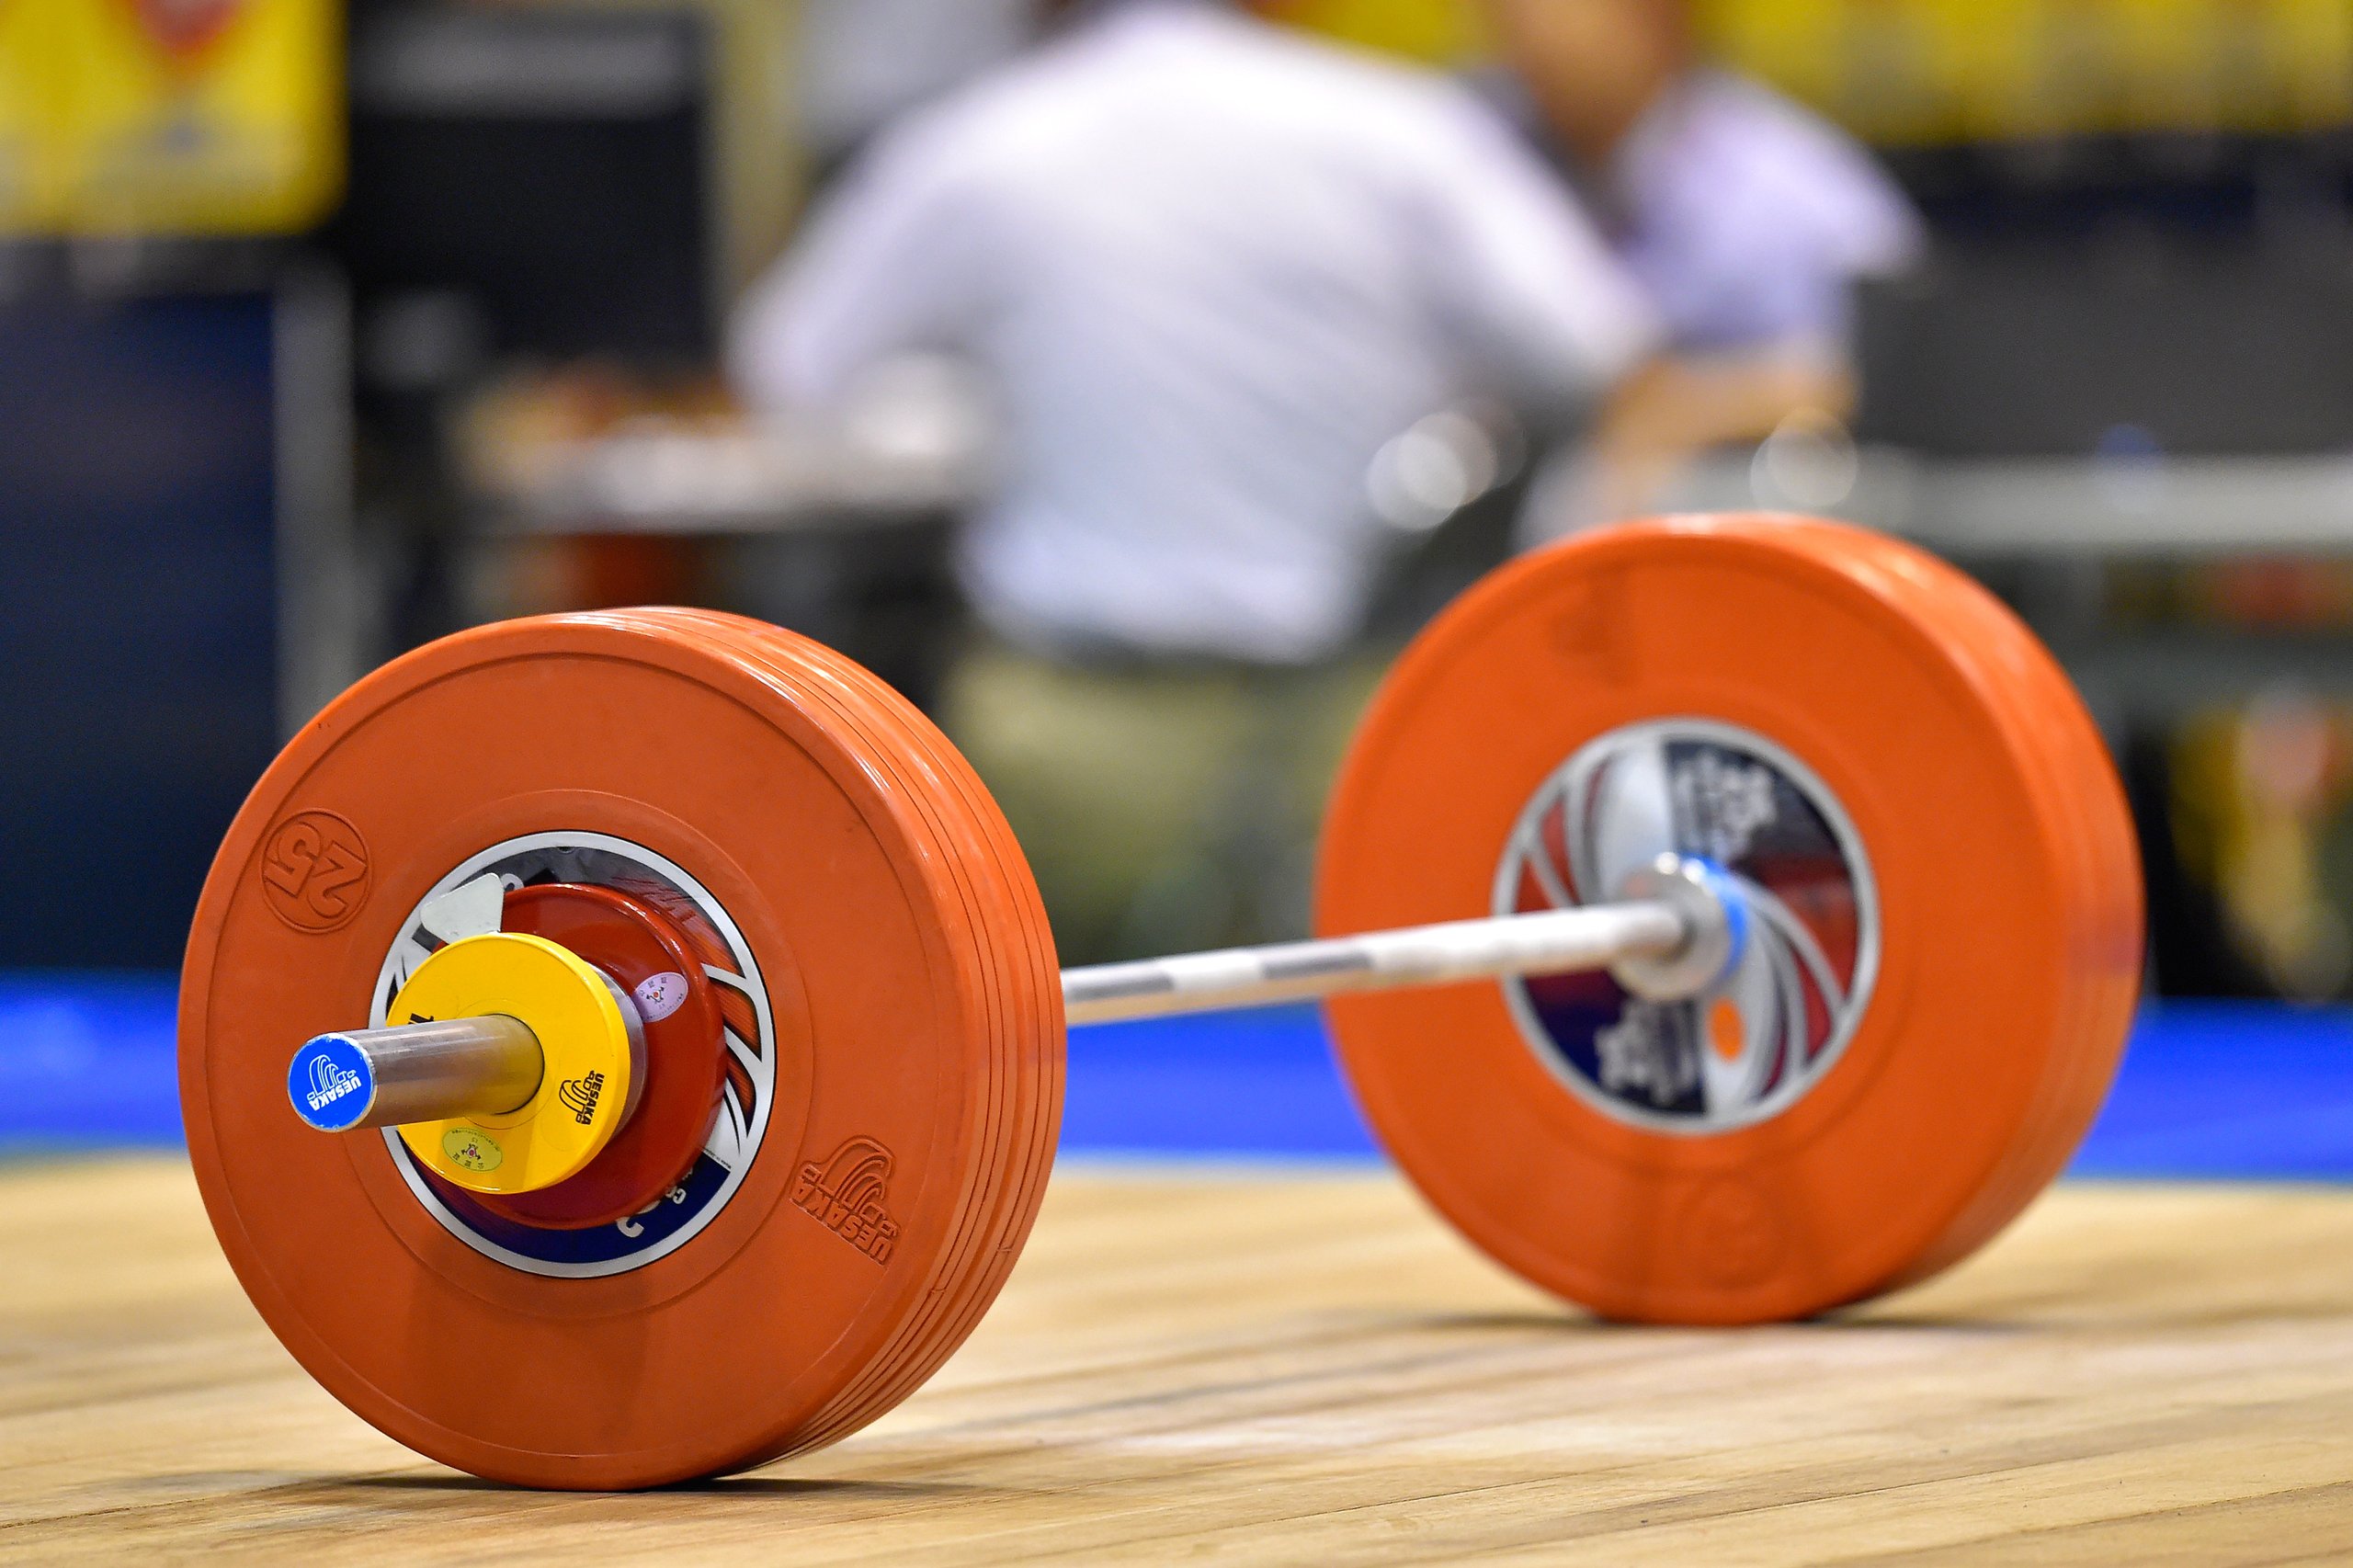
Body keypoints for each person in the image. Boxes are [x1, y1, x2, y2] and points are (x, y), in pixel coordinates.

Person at [1472, 0, 1926, 539]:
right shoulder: (1481, 148)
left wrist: (1682, 410)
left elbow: (1864, 382)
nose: (1521, 36)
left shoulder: (1797, 192)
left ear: (1658, 17)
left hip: (1744, 539)